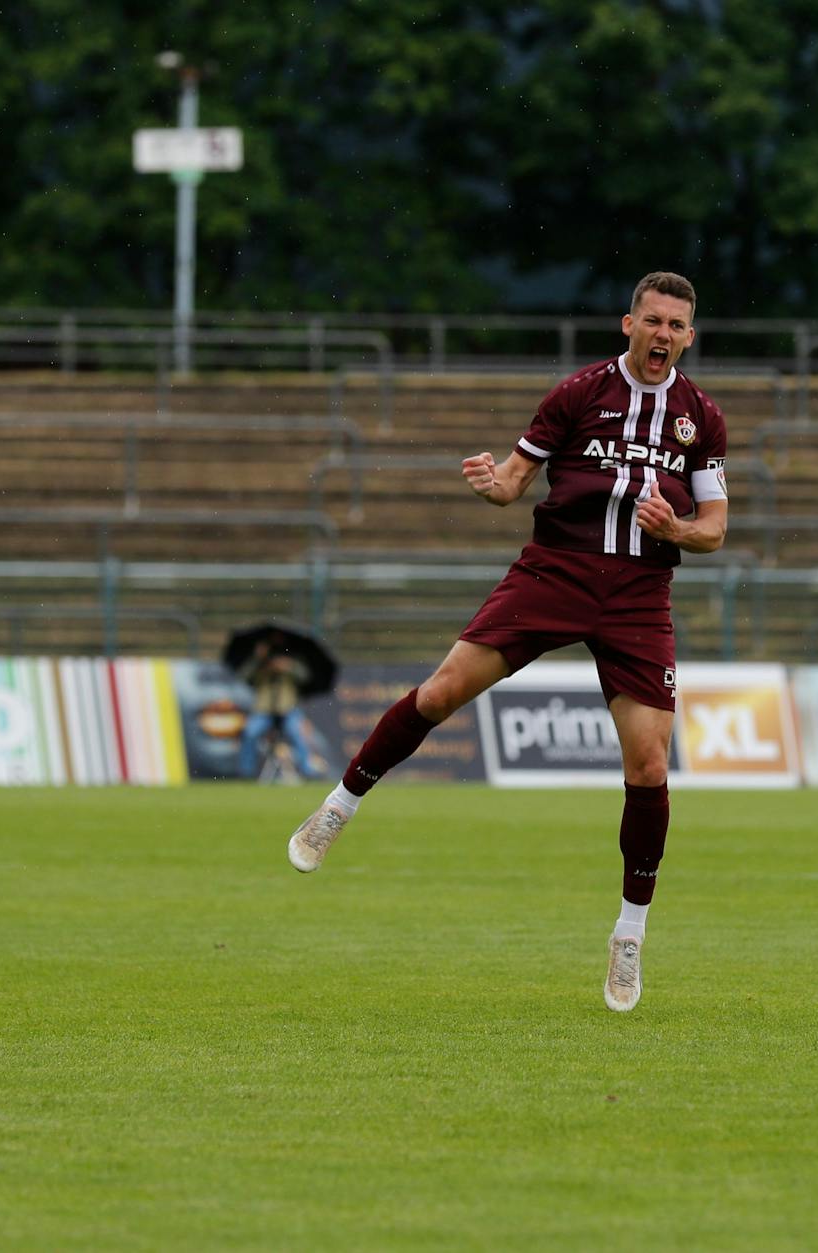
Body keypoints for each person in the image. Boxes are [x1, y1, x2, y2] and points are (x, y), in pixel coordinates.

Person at [285, 271, 730, 1013]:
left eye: (676, 326)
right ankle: (339, 804)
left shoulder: (700, 418)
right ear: (629, 324)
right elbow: (515, 482)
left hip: (638, 595)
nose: (662, 335)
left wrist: (676, 529)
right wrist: (493, 481)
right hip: (555, 572)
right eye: (652, 320)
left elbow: (714, 528)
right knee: (440, 692)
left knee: (650, 764)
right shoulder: (579, 393)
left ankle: (628, 934)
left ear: (688, 336)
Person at [236, 635, 329, 780]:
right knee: (249, 733)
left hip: (288, 709)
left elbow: (305, 677)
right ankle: (246, 772)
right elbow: (244, 677)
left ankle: (307, 770)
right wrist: (258, 658)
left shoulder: (293, 658)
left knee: (299, 735)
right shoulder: (259, 662)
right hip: (264, 710)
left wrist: (288, 666)